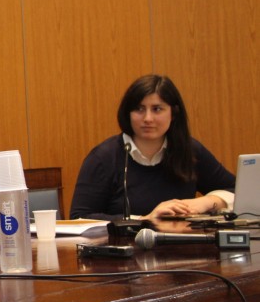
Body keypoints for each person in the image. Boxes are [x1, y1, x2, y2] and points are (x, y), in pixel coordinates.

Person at [70, 74, 235, 220]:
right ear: (128, 113)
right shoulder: (104, 157)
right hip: (124, 251)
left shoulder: (189, 150)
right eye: (139, 109)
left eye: (157, 109)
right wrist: (144, 219)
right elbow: (80, 217)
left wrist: (204, 203)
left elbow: (236, 190)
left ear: (173, 113)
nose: (148, 118)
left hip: (185, 250)